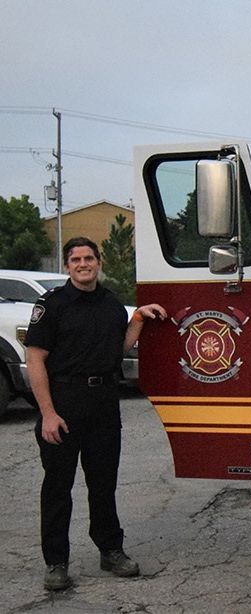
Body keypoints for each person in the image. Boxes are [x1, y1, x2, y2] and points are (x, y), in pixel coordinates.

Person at [25, 237, 167, 592]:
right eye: (76, 259)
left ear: (98, 262)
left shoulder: (110, 304)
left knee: (103, 484)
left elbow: (116, 348)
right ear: (67, 265)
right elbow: (35, 359)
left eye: (89, 258)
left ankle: (110, 550)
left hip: (103, 401)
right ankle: (56, 562)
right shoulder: (51, 305)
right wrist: (48, 414)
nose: (84, 264)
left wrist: (137, 318)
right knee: (58, 486)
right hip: (63, 402)